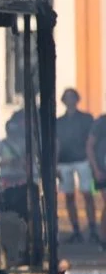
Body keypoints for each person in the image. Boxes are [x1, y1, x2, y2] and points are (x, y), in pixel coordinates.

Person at [56, 88, 97, 243]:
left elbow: (91, 141)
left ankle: (92, 228)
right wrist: (55, 164)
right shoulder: (59, 121)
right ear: (64, 101)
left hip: (82, 159)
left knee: (87, 194)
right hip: (64, 161)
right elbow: (57, 143)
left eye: (72, 97)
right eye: (67, 97)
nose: (70, 100)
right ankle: (76, 230)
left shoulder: (86, 119)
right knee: (69, 196)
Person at [87, 110, 106, 249]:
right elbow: (89, 146)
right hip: (102, 170)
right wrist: (96, 169)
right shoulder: (101, 121)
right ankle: (103, 239)